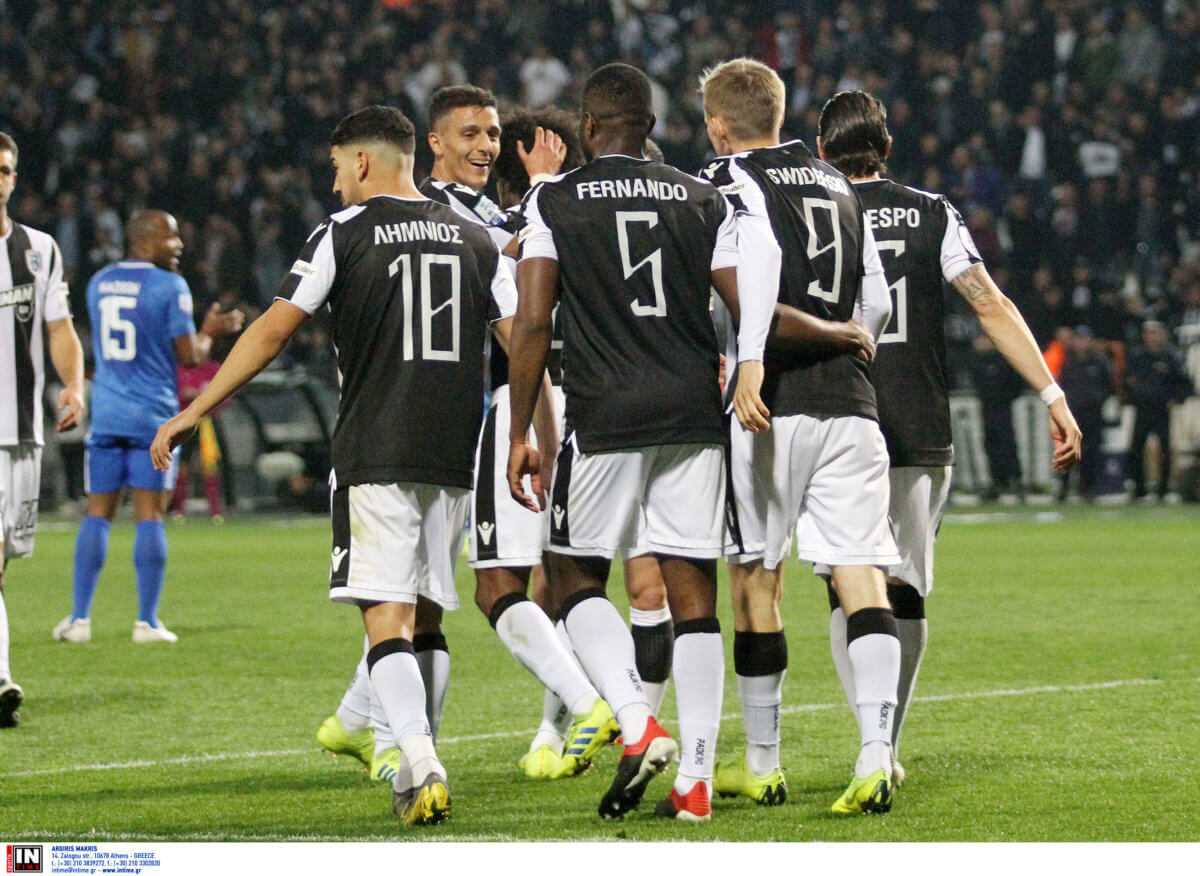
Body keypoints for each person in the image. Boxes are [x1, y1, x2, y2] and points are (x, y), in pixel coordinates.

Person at [506, 63, 864, 822]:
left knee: (570, 575)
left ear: (589, 127)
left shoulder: (555, 200)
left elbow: (532, 320)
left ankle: (639, 724)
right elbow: (750, 298)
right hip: (694, 414)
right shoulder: (705, 198)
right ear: (652, 127)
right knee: (692, 593)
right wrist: (789, 346)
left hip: (606, 412)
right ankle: (695, 781)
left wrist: (520, 430)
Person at [153, 105, 518, 827]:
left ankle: (420, 760)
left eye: (335, 167)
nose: (333, 182)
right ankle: (410, 756)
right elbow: (523, 333)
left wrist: (198, 408)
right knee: (425, 614)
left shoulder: (344, 231)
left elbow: (273, 329)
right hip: (454, 454)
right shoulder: (476, 237)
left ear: (362, 161)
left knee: (386, 618)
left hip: (375, 447)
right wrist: (534, 423)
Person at [816, 90, 1082, 783]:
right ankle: (885, 744)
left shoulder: (813, 213)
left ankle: (871, 742)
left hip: (835, 416)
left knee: (847, 585)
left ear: (821, 152)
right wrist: (1052, 394)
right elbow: (989, 303)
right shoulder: (932, 212)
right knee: (904, 588)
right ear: (887, 149)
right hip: (917, 421)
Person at [698, 61, 899, 816]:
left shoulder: (727, 181)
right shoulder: (840, 183)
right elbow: (876, 300)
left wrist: (749, 359)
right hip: (852, 403)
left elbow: (751, 280)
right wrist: (850, 339)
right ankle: (876, 754)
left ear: (719, 125)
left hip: (771, 403)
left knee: (757, 577)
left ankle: (762, 762)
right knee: (860, 574)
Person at [52, 211, 243, 645]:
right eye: (169, 236)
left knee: (97, 513)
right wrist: (210, 331)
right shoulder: (170, 286)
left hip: (107, 413)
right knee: (150, 514)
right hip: (153, 418)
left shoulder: (100, 282)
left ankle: (79, 620)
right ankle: (147, 622)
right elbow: (190, 356)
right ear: (142, 242)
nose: (179, 244)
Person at [0, 130, 86, 728]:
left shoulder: (39, 249)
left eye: (5, 170)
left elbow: (58, 328)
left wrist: (73, 384)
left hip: (23, 433)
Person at [1125, 320, 1191, 501]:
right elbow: (1128, 380)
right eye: (1148, 333)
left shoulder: (1171, 356)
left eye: (1154, 333)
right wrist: (1132, 397)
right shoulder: (1137, 356)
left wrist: (1176, 399)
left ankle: (1163, 490)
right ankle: (1139, 489)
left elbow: (1184, 382)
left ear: (1162, 335)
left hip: (1162, 410)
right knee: (1136, 448)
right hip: (1143, 409)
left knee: (1165, 450)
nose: (1151, 337)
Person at [1058, 326, 1111, 500]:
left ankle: (1088, 488)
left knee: (1091, 451)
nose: (1081, 343)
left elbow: (1108, 385)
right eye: (1078, 339)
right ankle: (1064, 487)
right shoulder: (1068, 361)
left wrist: (1098, 399)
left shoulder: (1099, 361)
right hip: (1072, 414)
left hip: (1093, 413)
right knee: (1068, 450)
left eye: (1084, 339)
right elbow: (1062, 384)